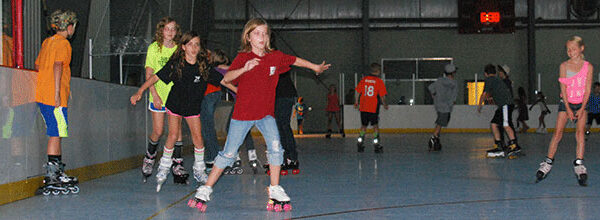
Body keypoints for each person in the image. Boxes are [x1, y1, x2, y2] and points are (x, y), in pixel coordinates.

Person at [187, 18, 330, 212]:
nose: (261, 37)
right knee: (228, 154)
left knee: (276, 149)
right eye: (257, 33)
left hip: (265, 115)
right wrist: (244, 69)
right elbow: (226, 78)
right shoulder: (243, 58)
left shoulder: (275, 56)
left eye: (264, 33)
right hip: (243, 115)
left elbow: (294, 60)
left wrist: (314, 67)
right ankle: (205, 189)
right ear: (248, 37)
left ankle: (275, 188)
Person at [131, 31, 220, 192]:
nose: (194, 48)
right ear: (184, 47)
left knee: (198, 137)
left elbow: (223, 80)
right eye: (190, 44)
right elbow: (155, 77)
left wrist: (239, 89)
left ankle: (199, 170)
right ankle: (163, 168)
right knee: (172, 135)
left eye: (197, 45)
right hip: (175, 103)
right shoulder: (176, 63)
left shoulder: (203, 65)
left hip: (192, 106)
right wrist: (140, 91)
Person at [536, 36, 593, 186]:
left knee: (580, 133)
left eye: (573, 49)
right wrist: (567, 108)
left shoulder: (588, 67)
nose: (570, 52)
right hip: (566, 103)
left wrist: (581, 109)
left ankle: (579, 164)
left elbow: (587, 90)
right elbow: (563, 89)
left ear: (581, 49)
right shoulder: (564, 66)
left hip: (582, 104)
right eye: (568, 49)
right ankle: (547, 163)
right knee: (558, 133)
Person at [34, 9, 80, 195]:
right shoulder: (63, 44)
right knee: (57, 132)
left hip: (43, 94)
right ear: (69, 27)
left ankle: (56, 171)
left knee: (57, 131)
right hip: (54, 97)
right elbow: (58, 65)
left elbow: (38, 65)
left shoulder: (48, 42)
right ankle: (53, 174)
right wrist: (57, 92)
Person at [141, 17, 185, 183]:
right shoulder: (154, 48)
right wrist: (155, 94)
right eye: (167, 29)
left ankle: (177, 163)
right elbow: (149, 74)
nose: (170, 32)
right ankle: (150, 157)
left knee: (177, 131)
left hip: (175, 95)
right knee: (158, 131)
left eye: (173, 29)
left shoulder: (179, 50)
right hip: (158, 95)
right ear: (161, 31)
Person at [210, 49, 260, 175]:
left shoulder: (217, 71)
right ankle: (252, 155)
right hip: (250, 99)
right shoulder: (233, 68)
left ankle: (235, 157)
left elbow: (224, 82)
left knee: (230, 128)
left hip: (241, 100)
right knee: (245, 128)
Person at [477, 64, 520, 158]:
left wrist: (480, 105)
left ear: (485, 74)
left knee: (506, 124)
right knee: (494, 123)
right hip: (503, 105)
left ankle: (514, 145)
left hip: (505, 105)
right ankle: (499, 145)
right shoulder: (497, 80)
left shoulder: (489, 80)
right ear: (495, 72)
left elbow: (484, 94)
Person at [355, 63, 388, 153]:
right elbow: (382, 96)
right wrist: (384, 104)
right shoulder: (379, 81)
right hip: (373, 107)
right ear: (377, 71)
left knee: (363, 126)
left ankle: (360, 141)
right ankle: (376, 144)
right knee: (375, 126)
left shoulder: (364, 80)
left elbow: (358, 92)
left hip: (363, 107)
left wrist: (356, 102)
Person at [274, 70, 301, 175]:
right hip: (287, 94)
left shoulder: (273, 60)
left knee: (281, 127)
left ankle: (285, 158)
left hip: (281, 95)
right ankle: (292, 158)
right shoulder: (280, 60)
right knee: (284, 126)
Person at [427, 64, 457, 151]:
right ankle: (434, 138)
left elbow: (430, 88)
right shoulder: (454, 83)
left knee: (440, 122)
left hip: (438, 105)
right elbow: (454, 97)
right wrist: (451, 102)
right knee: (440, 123)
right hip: (446, 106)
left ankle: (436, 139)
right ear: (453, 73)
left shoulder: (439, 80)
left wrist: (434, 96)